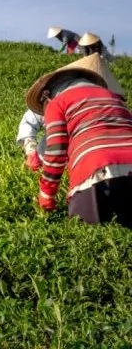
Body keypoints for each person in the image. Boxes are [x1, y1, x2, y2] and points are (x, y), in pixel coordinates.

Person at [25, 53, 132, 227]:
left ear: (47, 94)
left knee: (86, 228)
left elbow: (57, 151)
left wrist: (46, 195)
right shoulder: (113, 97)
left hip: (96, 169)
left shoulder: (57, 102)